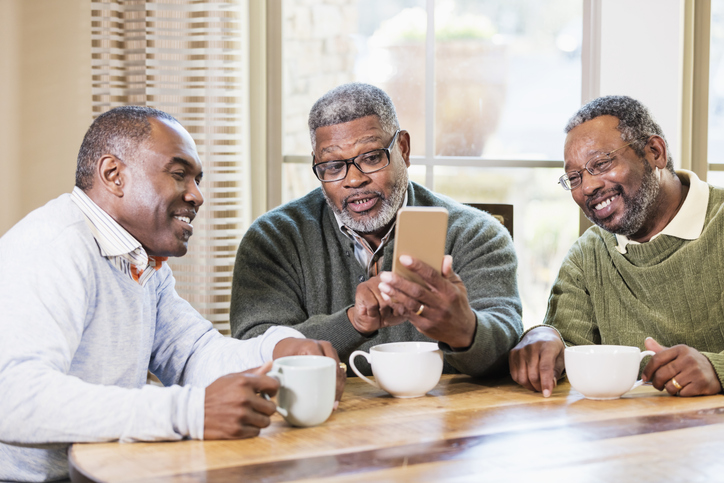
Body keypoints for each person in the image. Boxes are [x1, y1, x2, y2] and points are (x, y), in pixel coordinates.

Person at [0, 106, 343, 482]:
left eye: (197, 180)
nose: (197, 196)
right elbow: (11, 398)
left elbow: (194, 353)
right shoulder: (54, 247)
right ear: (114, 175)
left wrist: (278, 349)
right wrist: (190, 412)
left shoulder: (140, 261)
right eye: (179, 174)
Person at [230, 83, 523, 377]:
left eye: (371, 158)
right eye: (333, 166)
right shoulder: (272, 239)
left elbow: (509, 345)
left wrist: (465, 330)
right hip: (329, 419)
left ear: (404, 149)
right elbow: (252, 353)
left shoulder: (476, 233)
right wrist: (353, 322)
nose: (354, 180)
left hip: (448, 418)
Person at [509, 95, 724, 399]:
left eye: (601, 163)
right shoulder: (589, 255)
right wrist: (543, 337)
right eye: (574, 177)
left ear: (654, 153)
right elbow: (565, 349)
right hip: (622, 437)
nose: (587, 187)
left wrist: (716, 369)